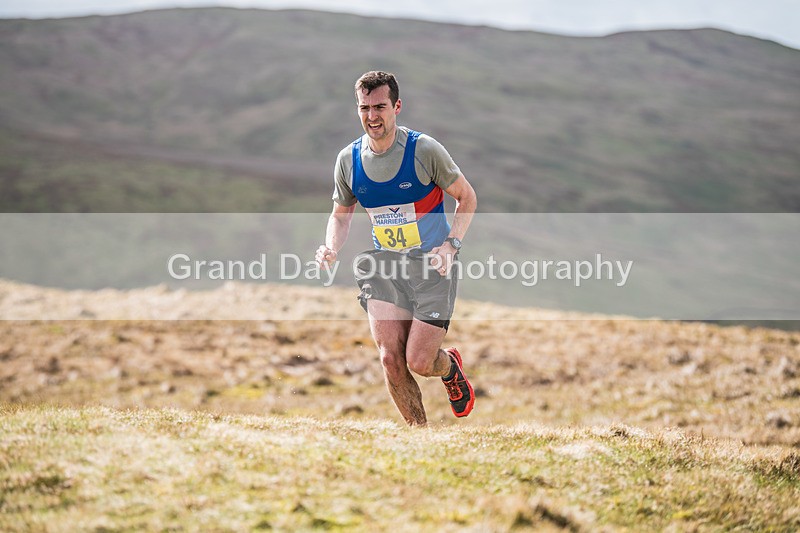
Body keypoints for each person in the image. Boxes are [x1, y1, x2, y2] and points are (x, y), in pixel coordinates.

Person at [315, 71, 478, 426]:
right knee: (390, 358)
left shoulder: (424, 151)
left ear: (397, 107)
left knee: (420, 361)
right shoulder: (349, 160)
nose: (372, 116)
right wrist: (330, 247)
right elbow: (340, 216)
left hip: (432, 265)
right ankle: (420, 438)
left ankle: (449, 367)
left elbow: (466, 197)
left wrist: (451, 246)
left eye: (379, 107)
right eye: (364, 108)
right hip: (385, 265)